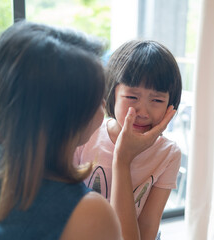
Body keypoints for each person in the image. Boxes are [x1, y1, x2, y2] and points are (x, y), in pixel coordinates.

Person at [0, 21, 176, 240]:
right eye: (98, 97)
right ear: (67, 115)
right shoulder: (89, 212)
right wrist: (123, 159)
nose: (104, 105)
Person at [74, 40, 182, 240]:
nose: (142, 112)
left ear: (171, 105)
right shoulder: (87, 134)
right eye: (132, 97)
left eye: (157, 100)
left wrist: (122, 160)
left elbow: (148, 226)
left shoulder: (169, 153)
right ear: (112, 94)